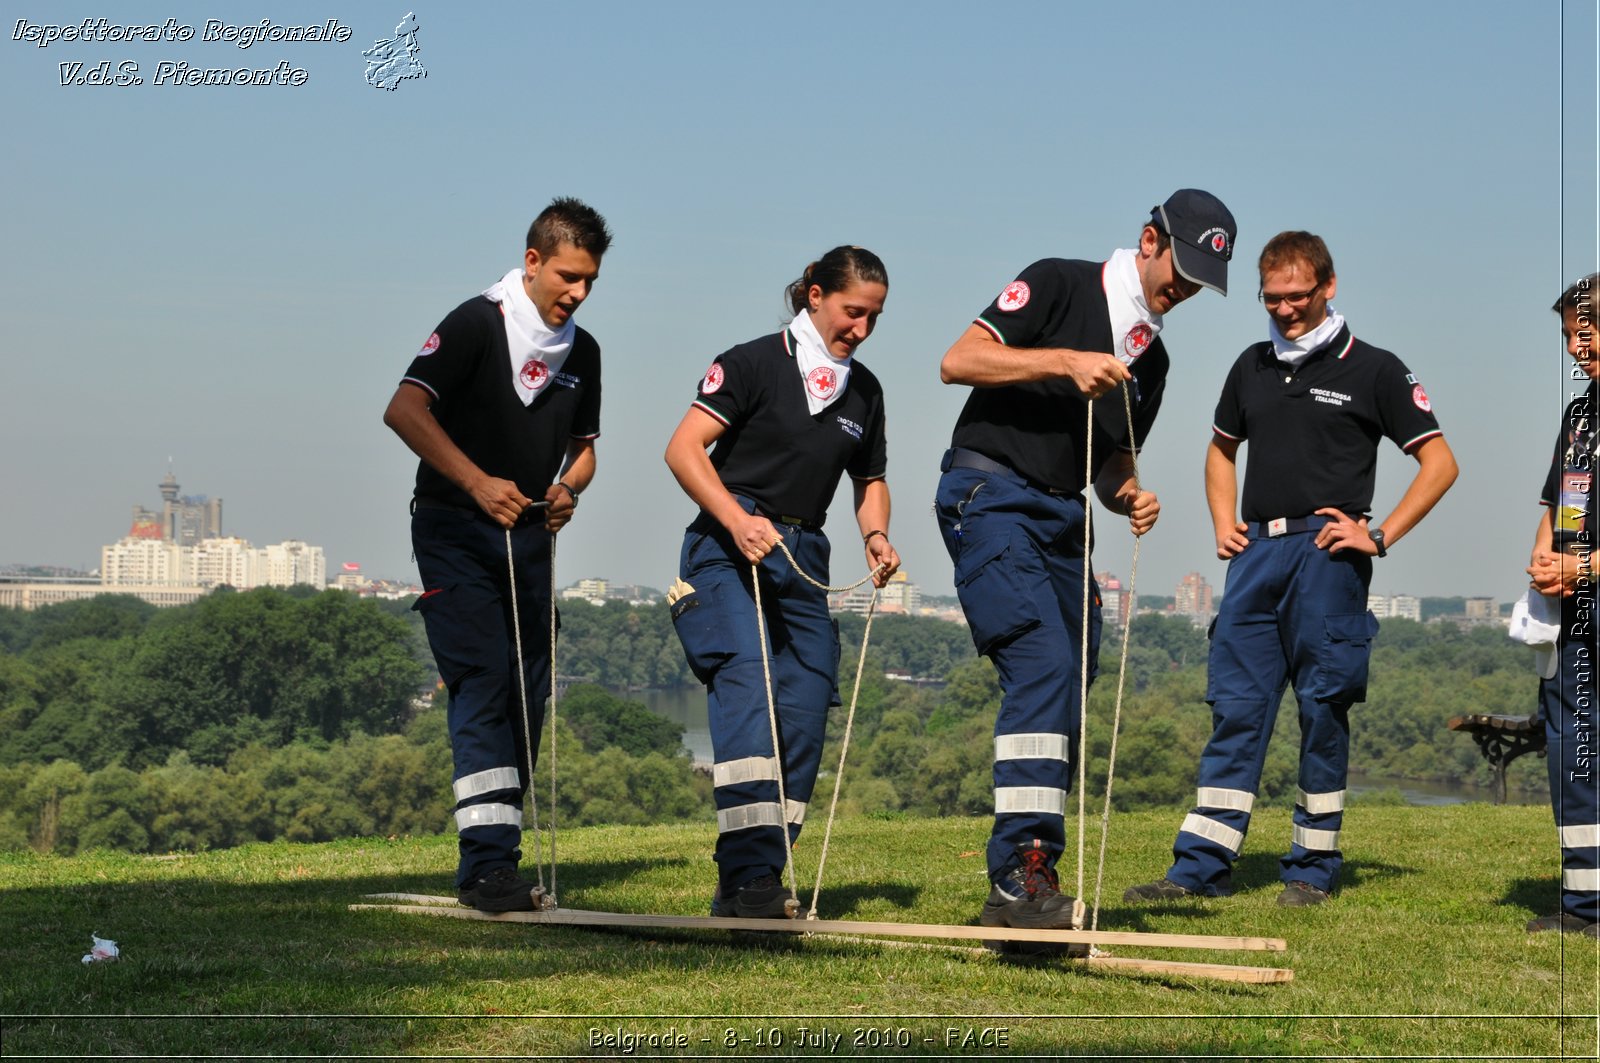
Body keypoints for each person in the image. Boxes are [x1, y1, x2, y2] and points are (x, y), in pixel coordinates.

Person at [1124, 230, 1458, 908]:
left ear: (1328, 286)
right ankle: (1198, 870)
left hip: (1326, 558)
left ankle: (1312, 867)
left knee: (1322, 707)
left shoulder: (1376, 369)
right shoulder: (1249, 365)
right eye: (1271, 298)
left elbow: (1440, 462)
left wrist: (1378, 534)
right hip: (1256, 556)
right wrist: (1224, 521)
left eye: (1297, 296)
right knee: (1236, 710)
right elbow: (1221, 451)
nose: (1285, 310)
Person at [933, 190, 1236, 934]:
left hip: (1067, 512)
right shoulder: (1060, 281)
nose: (1184, 288)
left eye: (1201, 281)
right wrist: (1064, 360)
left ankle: (1032, 874)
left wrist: (1130, 494)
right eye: (1181, 267)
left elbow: (1110, 467)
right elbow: (957, 360)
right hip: (991, 489)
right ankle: (1017, 881)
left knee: (1070, 681)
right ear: (1149, 238)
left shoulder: (1152, 360)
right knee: (1042, 666)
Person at [382, 197, 612, 912]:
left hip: (531, 538)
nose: (576, 293)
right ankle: (486, 868)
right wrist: (477, 482)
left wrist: (568, 488)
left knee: (527, 692)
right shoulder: (475, 322)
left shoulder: (587, 351)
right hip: (454, 528)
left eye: (591, 283)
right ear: (533, 261)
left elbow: (584, 454)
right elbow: (404, 409)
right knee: (482, 681)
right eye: (567, 276)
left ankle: (500, 856)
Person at [665, 246, 901, 918]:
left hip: (806, 554)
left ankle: (762, 869)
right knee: (746, 682)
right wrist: (738, 521)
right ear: (817, 295)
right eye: (854, 311)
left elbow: (870, 481)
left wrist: (876, 535)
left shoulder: (867, 390)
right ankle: (746, 878)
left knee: (804, 701)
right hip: (726, 544)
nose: (861, 328)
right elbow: (683, 449)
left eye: (874, 318)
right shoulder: (751, 362)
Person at [1524, 272, 1598, 936]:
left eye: (1588, 331)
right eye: (1571, 336)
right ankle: (1583, 906)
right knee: (1573, 750)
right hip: (1574, 610)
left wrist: (1588, 564)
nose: (1579, 348)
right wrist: (1546, 559)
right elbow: (1561, 507)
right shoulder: (1580, 416)